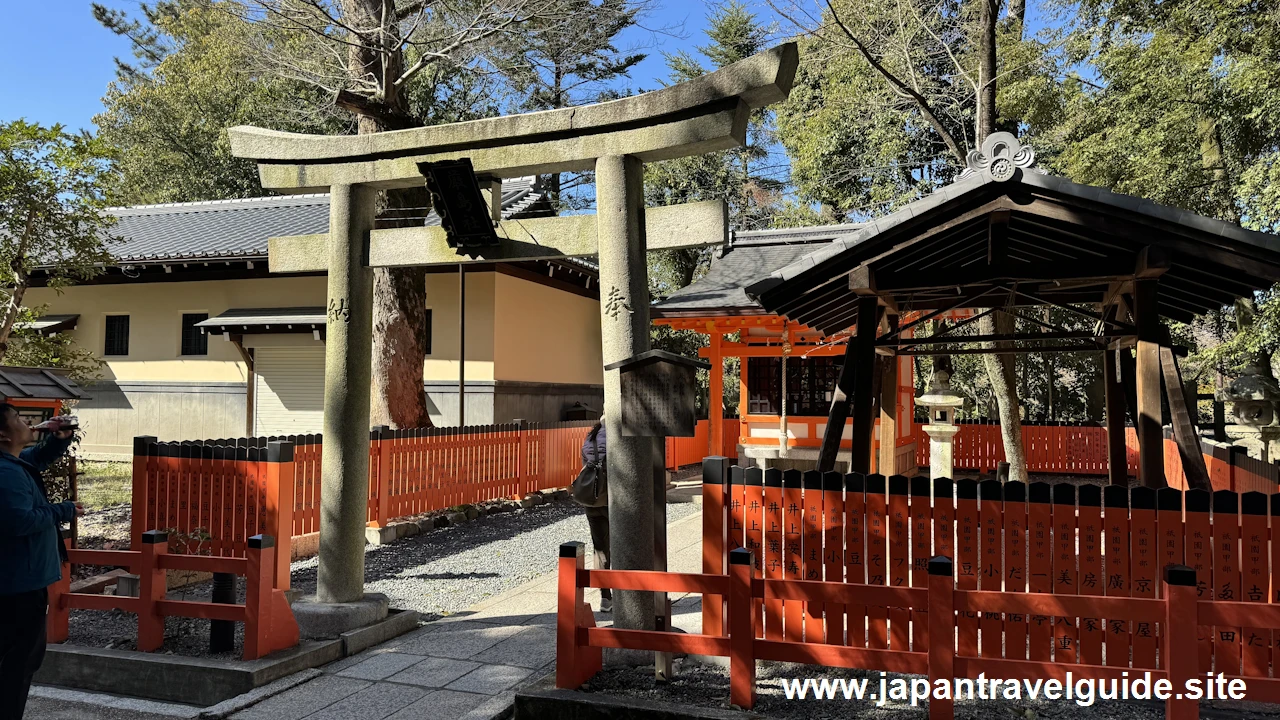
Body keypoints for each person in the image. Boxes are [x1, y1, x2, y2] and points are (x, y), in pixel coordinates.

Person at [0, 409, 81, 719]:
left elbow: (36, 460)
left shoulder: (14, 463)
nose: (26, 422)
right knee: (19, 662)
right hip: (19, 585)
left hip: (18, 581)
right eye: (18, 418)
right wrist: (63, 510)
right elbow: (18, 521)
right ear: (3, 435)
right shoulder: (6, 473)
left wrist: (59, 440)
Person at [580, 417, 611, 613]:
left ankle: (605, 597)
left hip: (591, 499)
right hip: (611, 500)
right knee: (621, 546)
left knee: (600, 548)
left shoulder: (589, 439)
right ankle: (628, 593)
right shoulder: (617, 438)